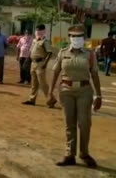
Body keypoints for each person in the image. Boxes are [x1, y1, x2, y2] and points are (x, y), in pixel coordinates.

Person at [49, 25, 102, 168]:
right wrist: (50, 91)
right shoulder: (62, 52)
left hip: (84, 91)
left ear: (84, 38)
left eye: (79, 37)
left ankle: (84, 153)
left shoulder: (90, 54)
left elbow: (95, 75)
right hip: (66, 91)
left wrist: (98, 95)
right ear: (69, 38)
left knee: (84, 123)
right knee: (69, 123)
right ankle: (69, 154)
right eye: (73, 36)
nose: (76, 39)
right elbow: (55, 72)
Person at [22, 24, 57, 108]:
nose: (37, 31)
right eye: (36, 30)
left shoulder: (45, 41)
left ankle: (51, 100)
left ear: (43, 31)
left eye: (39, 30)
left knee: (42, 83)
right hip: (33, 63)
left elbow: (49, 53)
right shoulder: (35, 41)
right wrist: (27, 60)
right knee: (34, 83)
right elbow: (31, 51)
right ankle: (32, 99)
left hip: (40, 63)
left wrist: (45, 63)